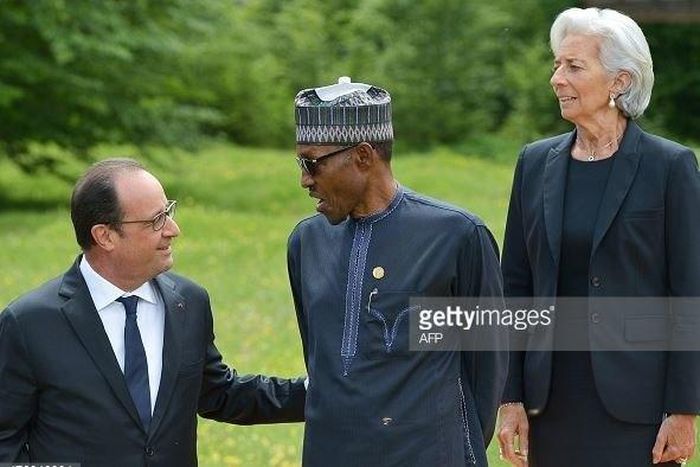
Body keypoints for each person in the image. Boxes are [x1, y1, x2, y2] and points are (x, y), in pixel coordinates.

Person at [0, 158, 306, 466]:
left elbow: (219, 393)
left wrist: (320, 391)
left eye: (168, 212)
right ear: (105, 236)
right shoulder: (29, 323)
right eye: (155, 221)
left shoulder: (189, 303)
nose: (173, 230)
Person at [496, 7, 700, 467]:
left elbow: (689, 292)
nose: (556, 78)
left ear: (619, 82)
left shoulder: (670, 167)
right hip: (548, 405)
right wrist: (508, 396)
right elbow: (515, 289)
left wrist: (684, 409)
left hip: (640, 411)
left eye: (573, 66)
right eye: (556, 64)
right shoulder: (533, 163)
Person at [287, 77, 508, 466]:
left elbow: (487, 368)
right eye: (300, 163)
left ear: (363, 156)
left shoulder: (457, 236)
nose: (305, 178)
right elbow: (319, 357)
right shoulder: (306, 243)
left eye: (313, 162)